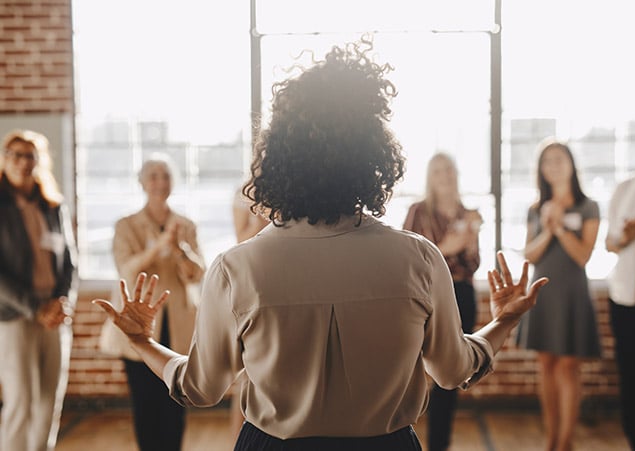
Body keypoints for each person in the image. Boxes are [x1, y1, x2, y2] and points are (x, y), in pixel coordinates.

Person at [94, 41, 547, 451]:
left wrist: (142, 341)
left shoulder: (237, 268)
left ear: (275, 162)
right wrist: (504, 321)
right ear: (374, 161)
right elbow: (454, 370)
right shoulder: (419, 258)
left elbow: (200, 388)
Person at [109, 154, 205, 451]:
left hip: (177, 325)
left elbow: (197, 274)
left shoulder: (185, 225)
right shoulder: (126, 225)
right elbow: (126, 268)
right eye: (153, 176)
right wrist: (159, 247)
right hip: (138, 323)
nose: (160, 182)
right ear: (142, 183)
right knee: (145, 404)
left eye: (165, 175)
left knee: (176, 400)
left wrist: (181, 250)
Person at [517, 139, 601, 451]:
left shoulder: (587, 206)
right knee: (547, 365)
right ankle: (551, 439)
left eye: (559, 159)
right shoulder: (535, 210)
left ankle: (566, 441)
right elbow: (531, 254)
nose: (553, 165)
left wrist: (561, 227)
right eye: (547, 160)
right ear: (540, 169)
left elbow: (582, 256)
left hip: (573, 293)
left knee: (568, 366)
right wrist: (548, 228)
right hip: (544, 292)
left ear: (570, 164)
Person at [0, 129, 77, 451]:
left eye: (30, 155)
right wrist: (36, 308)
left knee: (49, 401)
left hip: (55, 316)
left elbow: (70, 263)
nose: (23, 162)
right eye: (16, 155)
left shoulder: (53, 206)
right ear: (5, 160)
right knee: (21, 401)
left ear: (39, 161)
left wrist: (62, 303)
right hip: (15, 316)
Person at [403, 152, 482, 451]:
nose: (445, 176)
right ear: (429, 178)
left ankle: (439, 446)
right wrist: (447, 248)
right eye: (438, 171)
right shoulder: (418, 212)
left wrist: (467, 242)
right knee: (410, 370)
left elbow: (473, 263)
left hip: (461, 295)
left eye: (449, 170)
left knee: (452, 375)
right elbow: (408, 258)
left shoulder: (468, 214)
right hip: (423, 295)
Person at [605, 167, 635, 451]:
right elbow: (611, 243)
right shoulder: (626, 188)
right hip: (629, 301)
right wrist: (629, 232)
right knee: (633, 378)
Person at [228, 188, 270, 444]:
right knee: (246, 372)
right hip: (253, 278)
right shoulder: (245, 192)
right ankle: (238, 441)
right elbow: (240, 240)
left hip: (288, 273)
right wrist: (260, 221)